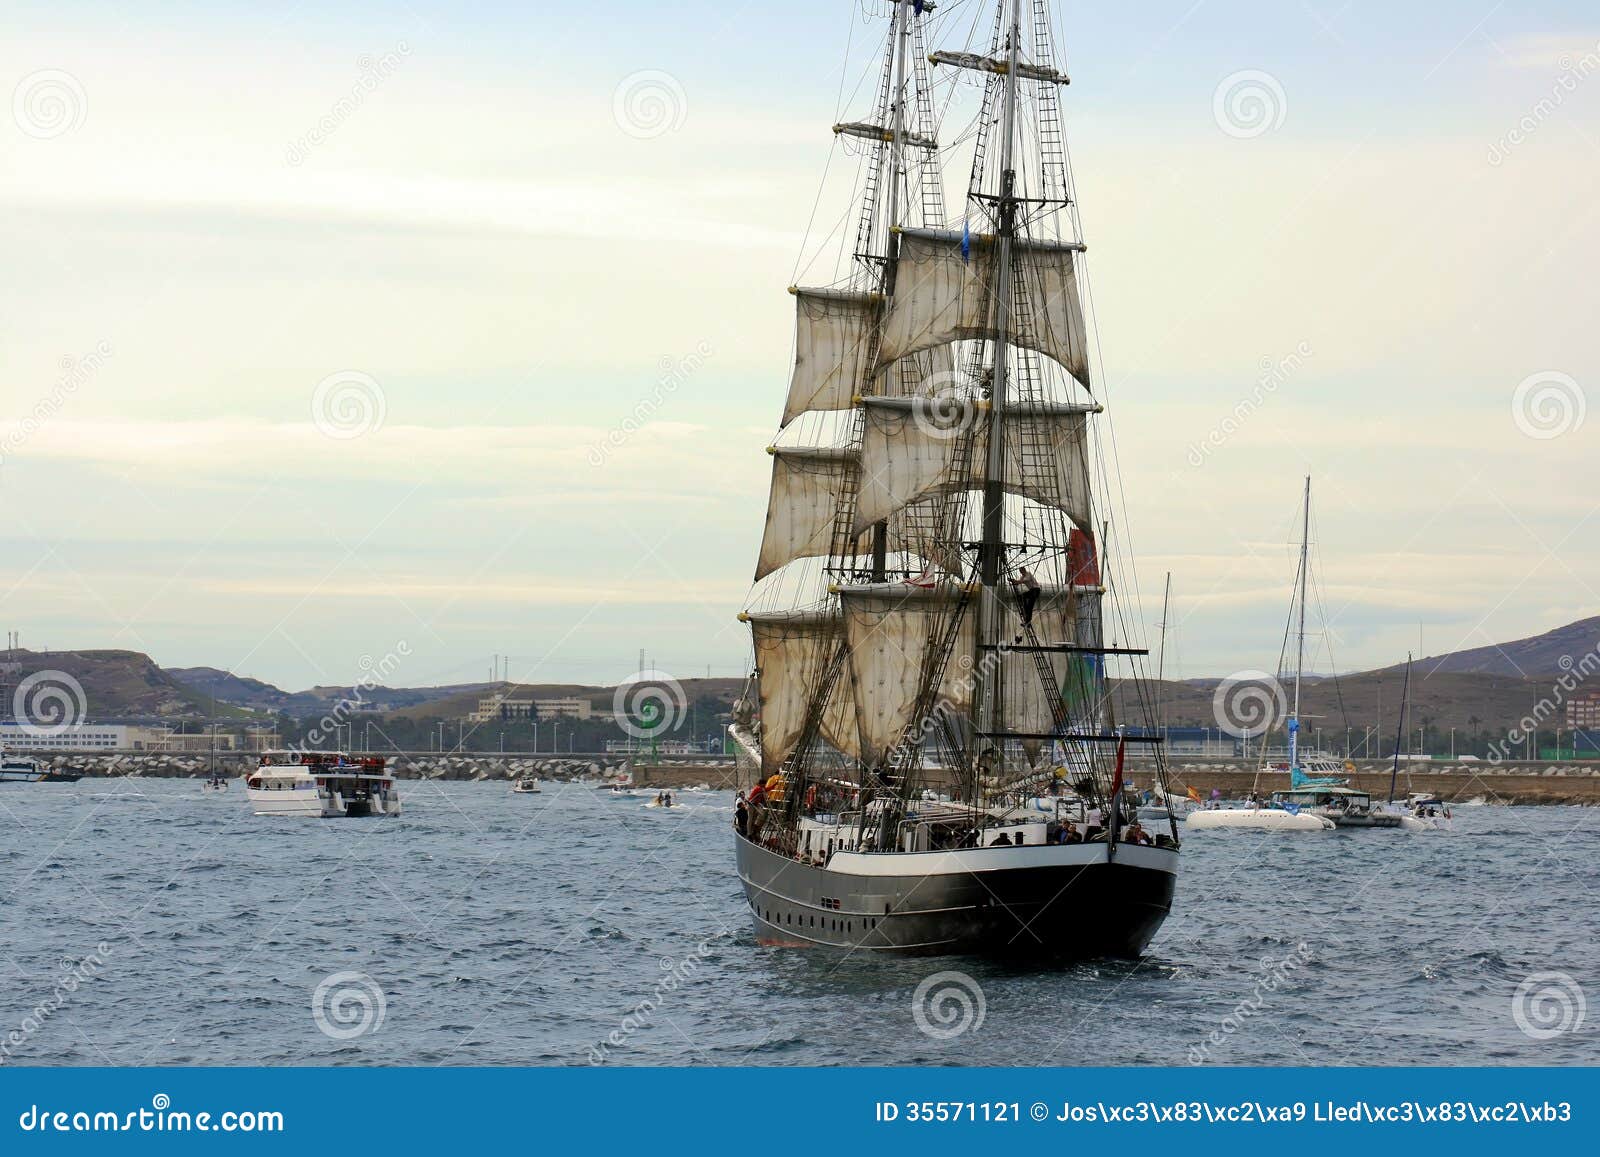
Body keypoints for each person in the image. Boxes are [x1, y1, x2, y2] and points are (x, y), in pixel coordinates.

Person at [1010, 567, 1041, 642]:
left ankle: (1028, 621)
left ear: (1024, 570)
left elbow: (1024, 581)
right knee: (1023, 598)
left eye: (1022, 571)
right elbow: (1019, 582)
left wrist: (1016, 581)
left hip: (1036, 590)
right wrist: (1013, 582)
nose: (1021, 573)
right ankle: (1026, 616)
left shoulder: (1028, 574)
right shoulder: (1022, 576)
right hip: (1031, 591)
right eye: (1020, 572)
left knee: (1029, 606)